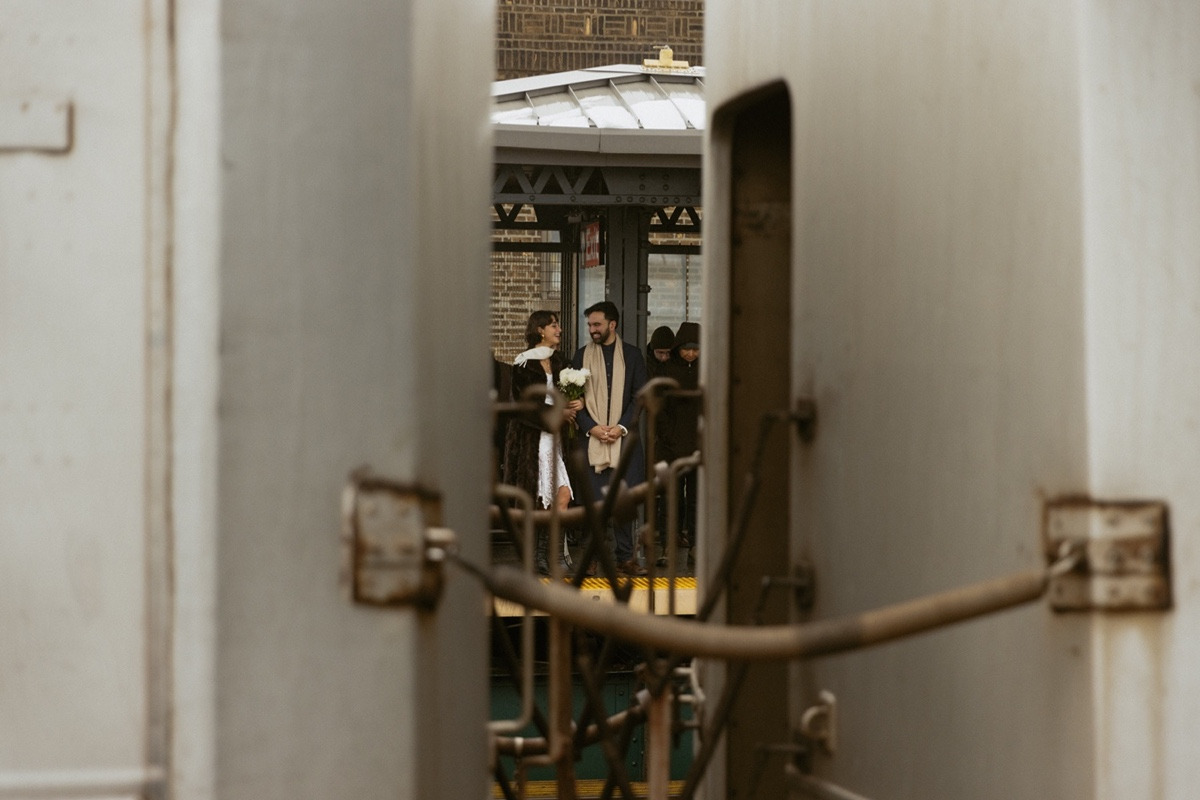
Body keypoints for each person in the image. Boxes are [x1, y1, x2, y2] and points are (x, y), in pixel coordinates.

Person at [572, 301, 649, 576]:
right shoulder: (580, 356)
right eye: (590, 325)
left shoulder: (633, 355)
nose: (592, 329)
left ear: (612, 324)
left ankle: (625, 558)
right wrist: (590, 427)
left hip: (623, 441)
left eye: (597, 324)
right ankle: (591, 559)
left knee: (623, 502)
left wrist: (621, 427)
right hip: (591, 440)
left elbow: (640, 397)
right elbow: (573, 399)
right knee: (592, 504)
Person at [502, 310, 581, 574]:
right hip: (533, 440)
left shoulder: (560, 362)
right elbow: (523, 407)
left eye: (558, 325)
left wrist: (577, 402)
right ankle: (538, 559)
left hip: (557, 441)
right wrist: (557, 414)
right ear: (540, 330)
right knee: (541, 501)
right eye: (553, 325)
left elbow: (569, 396)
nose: (559, 330)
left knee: (562, 497)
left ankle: (552, 556)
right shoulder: (524, 363)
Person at [660, 322, 701, 563]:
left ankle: (696, 546)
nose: (691, 354)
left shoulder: (706, 371)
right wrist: (667, 436)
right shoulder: (667, 371)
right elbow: (660, 410)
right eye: (686, 349)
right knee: (670, 498)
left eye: (695, 349)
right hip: (671, 446)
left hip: (696, 445)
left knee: (696, 499)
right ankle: (668, 545)